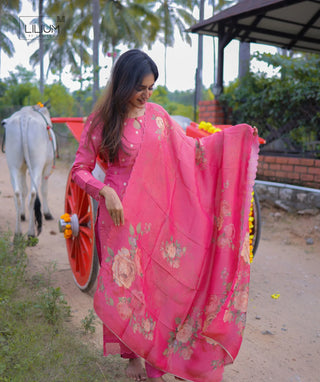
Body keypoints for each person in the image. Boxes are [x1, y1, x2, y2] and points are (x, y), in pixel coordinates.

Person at [71, 49, 259, 382]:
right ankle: (132, 359)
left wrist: (235, 141)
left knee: (158, 289)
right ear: (123, 83)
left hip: (157, 219)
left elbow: (193, 152)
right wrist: (105, 192)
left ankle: (159, 360)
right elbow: (79, 170)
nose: (146, 95)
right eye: (140, 87)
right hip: (117, 221)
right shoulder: (101, 121)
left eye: (151, 88)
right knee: (127, 289)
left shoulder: (157, 116)